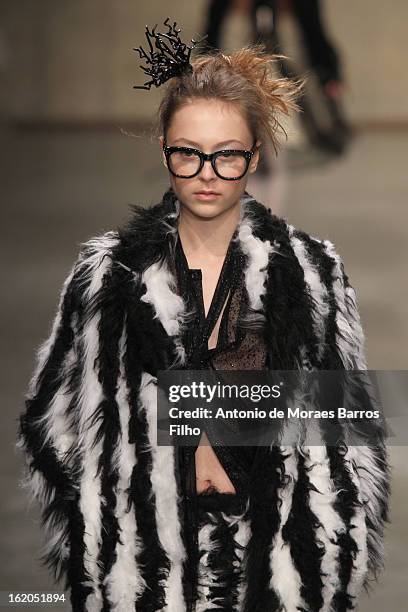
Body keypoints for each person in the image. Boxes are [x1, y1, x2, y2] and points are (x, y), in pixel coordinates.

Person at [16, 18, 390, 612]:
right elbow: (53, 420)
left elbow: (349, 421)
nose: (207, 174)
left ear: (255, 156)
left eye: (227, 156)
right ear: (165, 151)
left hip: (279, 559)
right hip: (150, 560)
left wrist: (329, 543)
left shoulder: (311, 271)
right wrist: (104, 530)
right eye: (188, 154)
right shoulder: (107, 276)